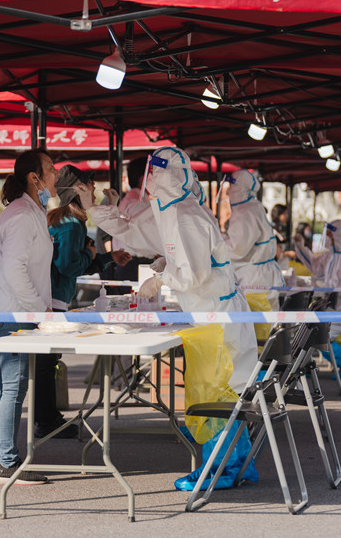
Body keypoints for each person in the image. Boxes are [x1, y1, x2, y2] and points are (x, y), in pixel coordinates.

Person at [88, 148, 259, 491]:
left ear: (157, 176)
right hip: (213, 313)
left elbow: (194, 274)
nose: (147, 183)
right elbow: (140, 235)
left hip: (216, 317)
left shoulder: (183, 215)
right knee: (224, 394)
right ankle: (237, 462)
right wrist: (97, 211)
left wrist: (163, 278)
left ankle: (218, 468)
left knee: (214, 393)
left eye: (151, 175)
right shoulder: (176, 209)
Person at [0, 148, 58, 485]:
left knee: (6, 388)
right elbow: (14, 270)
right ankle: (8, 463)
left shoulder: (31, 211)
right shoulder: (23, 214)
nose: (56, 174)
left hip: (16, 309)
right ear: (33, 177)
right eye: (51, 169)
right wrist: (40, 310)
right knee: (13, 388)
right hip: (15, 312)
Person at [33, 165, 131, 438]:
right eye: (90, 185)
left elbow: (76, 262)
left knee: (47, 362)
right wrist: (90, 255)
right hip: (54, 298)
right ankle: (46, 421)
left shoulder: (62, 220)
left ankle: (48, 417)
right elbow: (69, 266)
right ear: (77, 191)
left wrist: (109, 257)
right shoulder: (72, 225)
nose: (96, 190)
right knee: (46, 363)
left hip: (51, 296)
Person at [294, 219, 341, 380]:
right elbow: (315, 267)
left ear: (338, 235)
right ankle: (300, 365)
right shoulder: (332, 255)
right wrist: (301, 247)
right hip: (335, 309)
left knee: (320, 332)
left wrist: (328, 288)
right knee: (307, 328)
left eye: (329, 234)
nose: (326, 237)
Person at [222, 169, 284, 314]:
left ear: (240, 188)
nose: (228, 192)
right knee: (265, 326)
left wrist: (217, 238)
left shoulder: (245, 212)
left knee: (255, 329)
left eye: (232, 186)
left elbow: (237, 249)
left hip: (254, 280)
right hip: (261, 276)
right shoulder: (254, 207)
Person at [112, 156, 158, 281]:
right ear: (143, 179)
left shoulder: (130, 200)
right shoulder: (137, 203)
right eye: (153, 176)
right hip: (135, 266)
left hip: (130, 265)